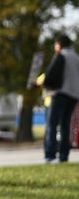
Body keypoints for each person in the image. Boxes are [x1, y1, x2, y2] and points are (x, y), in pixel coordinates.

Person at [42, 34, 79, 163]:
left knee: (52, 124)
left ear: (59, 44)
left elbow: (50, 75)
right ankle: (64, 155)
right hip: (74, 95)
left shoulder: (61, 56)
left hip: (61, 93)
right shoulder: (76, 57)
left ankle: (50, 154)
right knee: (65, 125)